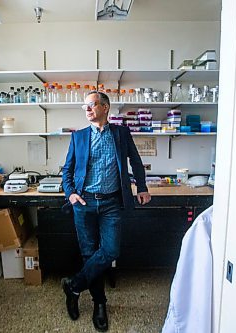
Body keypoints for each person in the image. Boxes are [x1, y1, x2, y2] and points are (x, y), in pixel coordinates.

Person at [61, 91, 151, 332]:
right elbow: (67, 171)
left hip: (112, 202)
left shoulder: (121, 133)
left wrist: (141, 187)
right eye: (86, 107)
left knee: (110, 250)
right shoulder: (78, 137)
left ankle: (74, 286)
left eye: (91, 105)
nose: (87, 110)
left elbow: (136, 161)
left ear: (105, 107)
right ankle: (100, 303)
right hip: (84, 202)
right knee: (89, 254)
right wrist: (70, 193)